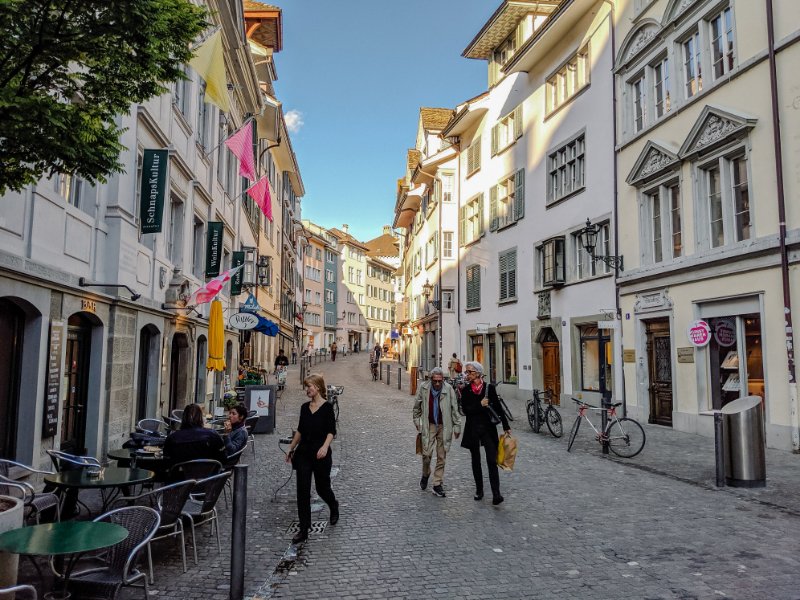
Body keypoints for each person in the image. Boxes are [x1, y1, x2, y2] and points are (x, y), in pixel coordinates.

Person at [285, 373, 339, 544]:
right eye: (306, 386)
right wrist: (291, 447)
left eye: (309, 386)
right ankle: (303, 529)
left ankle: (333, 505)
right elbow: (300, 430)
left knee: (322, 488)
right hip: (304, 454)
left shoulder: (328, 408)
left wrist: (324, 447)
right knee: (302, 491)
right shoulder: (304, 407)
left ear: (317, 387)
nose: (307, 389)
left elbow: (332, 431)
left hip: (321, 454)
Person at [460, 361, 510, 505]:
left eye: (469, 372)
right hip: (473, 429)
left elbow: (499, 409)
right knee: (476, 460)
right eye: (466, 372)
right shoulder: (465, 390)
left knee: (491, 460)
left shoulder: (489, 388)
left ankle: (496, 493)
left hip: (488, 428)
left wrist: (506, 425)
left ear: (477, 373)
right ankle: (479, 490)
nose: (467, 374)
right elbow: (465, 410)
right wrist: (480, 405)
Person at [412, 367, 461, 497]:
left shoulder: (448, 389)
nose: (438, 383)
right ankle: (426, 473)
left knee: (441, 456)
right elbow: (416, 407)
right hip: (429, 425)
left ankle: (437, 483)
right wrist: (417, 422)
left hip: (444, 426)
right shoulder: (424, 388)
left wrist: (457, 427)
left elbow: (454, 408)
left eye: (440, 381)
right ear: (431, 380)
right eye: (435, 381)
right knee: (426, 454)